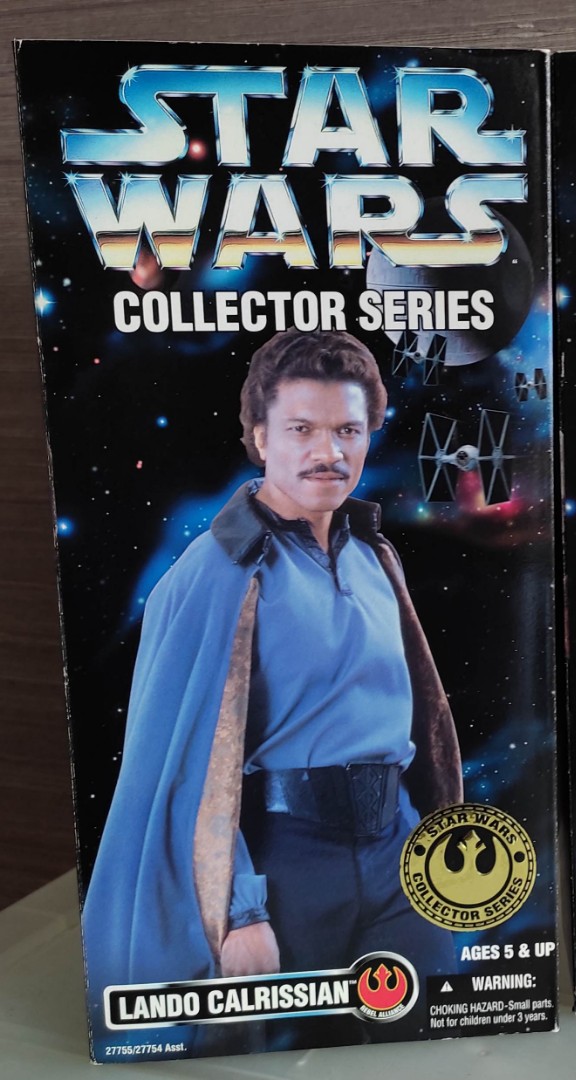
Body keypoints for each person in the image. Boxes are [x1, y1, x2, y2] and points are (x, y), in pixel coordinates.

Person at [82, 329, 461, 1028]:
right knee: (295, 1055)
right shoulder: (215, 572)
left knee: (434, 1035)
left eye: (348, 430)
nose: (329, 452)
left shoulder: (375, 554)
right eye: (302, 429)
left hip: (400, 850)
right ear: (260, 437)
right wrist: (238, 909)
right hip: (286, 865)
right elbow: (181, 766)